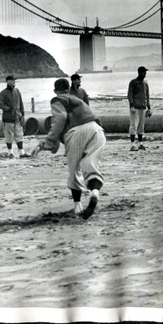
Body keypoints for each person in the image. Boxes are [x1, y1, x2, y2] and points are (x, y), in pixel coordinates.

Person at [30, 78, 106, 219]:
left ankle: (78, 206)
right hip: (97, 130)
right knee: (91, 166)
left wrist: (44, 144)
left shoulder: (58, 100)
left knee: (74, 169)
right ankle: (95, 192)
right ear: (68, 88)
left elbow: (60, 120)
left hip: (76, 131)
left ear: (55, 91)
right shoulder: (77, 99)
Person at [0, 75, 25, 158]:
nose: (14, 81)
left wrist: (23, 114)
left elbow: (21, 103)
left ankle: (22, 153)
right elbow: (0, 104)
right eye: (12, 80)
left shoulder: (17, 91)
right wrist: (9, 109)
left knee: (19, 134)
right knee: (9, 135)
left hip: (17, 117)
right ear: (7, 81)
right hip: (8, 117)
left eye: (14, 80)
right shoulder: (3, 93)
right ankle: (10, 152)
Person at [127, 66, 151, 151]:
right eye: (144, 72)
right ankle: (132, 144)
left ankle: (140, 143)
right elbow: (130, 95)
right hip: (135, 107)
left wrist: (149, 107)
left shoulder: (145, 83)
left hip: (143, 107)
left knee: (141, 126)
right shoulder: (133, 82)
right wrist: (131, 105)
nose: (145, 74)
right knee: (133, 125)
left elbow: (147, 95)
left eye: (145, 72)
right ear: (140, 72)